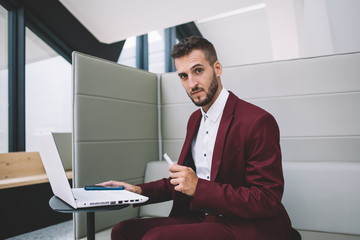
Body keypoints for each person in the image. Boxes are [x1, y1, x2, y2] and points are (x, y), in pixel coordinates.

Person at [100, 36, 301, 240]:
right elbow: (184, 181)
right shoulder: (195, 119)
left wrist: (198, 187)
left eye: (198, 70)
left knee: (156, 238)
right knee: (123, 231)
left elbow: (266, 200)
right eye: (183, 76)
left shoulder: (258, 121)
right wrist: (138, 190)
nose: (192, 83)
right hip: (201, 217)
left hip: (242, 224)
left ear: (217, 69)